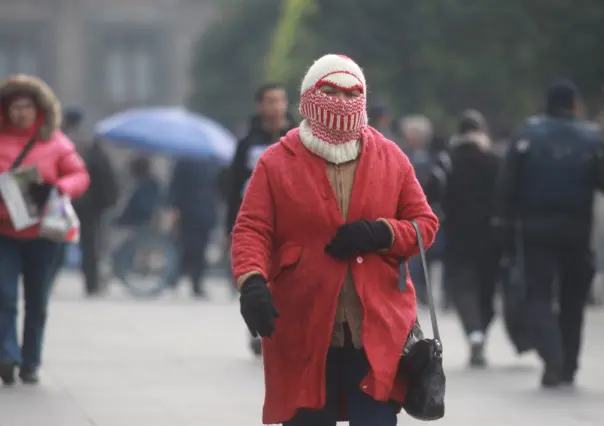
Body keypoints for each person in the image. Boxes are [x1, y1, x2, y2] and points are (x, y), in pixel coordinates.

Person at [231, 54, 438, 425]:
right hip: (304, 326)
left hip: (376, 330)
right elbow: (251, 228)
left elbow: (424, 224)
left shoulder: (391, 157)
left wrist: (381, 232)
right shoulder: (276, 162)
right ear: (309, 96)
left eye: (351, 93)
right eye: (329, 91)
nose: (340, 102)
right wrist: (252, 282)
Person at [497, 80, 604, 387]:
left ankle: (552, 358)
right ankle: (569, 363)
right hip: (577, 230)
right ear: (575, 105)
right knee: (573, 299)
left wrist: (504, 229)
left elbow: (507, 188)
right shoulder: (592, 139)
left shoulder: (526, 136)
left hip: (535, 230)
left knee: (539, 297)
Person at [0, 74, 90, 385]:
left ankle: (31, 361)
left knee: (37, 300)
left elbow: (79, 175)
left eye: (26, 106)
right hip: (4, 233)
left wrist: (58, 188)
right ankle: (7, 355)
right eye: (14, 107)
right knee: (4, 295)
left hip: (44, 233)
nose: (20, 113)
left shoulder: (55, 142)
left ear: (38, 109)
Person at [226, 83, 293, 355]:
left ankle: (289, 327)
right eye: (270, 101)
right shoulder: (247, 143)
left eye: (281, 100)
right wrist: (230, 226)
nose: (276, 106)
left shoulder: (300, 136)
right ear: (260, 105)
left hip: (291, 218)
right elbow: (233, 186)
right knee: (258, 275)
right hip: (257, 220)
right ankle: (259, 326)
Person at [433, 110, 500, 367]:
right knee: (487, 289)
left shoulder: (448, 160)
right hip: (491, 236)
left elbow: (432, 191)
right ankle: (479, 331)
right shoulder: (494, 160)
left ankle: (474, 333)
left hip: (457, 234)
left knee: (462, 287)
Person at [69, 111, 119, 297]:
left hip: (81, 204)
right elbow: (107, 183)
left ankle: (91, 281)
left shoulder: (76, 147)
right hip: (91, 207)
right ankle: (92, 282)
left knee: (84, 245)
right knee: (91, 246)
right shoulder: (94, 154)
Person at [399, 115, 443, 305]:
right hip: (410, 214)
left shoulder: (435, 158)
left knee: (430, 253)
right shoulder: (401, 154)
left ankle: (426, 291)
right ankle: (417, 290)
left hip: (430, 212)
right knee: (415, 258)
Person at [166, 156, 221, 298]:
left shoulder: (185, 161)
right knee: (197, 248)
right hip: (203, 211)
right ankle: (194, 281)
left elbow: (175, 187)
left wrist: (174, 206)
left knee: (188, 246)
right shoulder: (212, 162)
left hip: (191, 211)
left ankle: (179, 279)